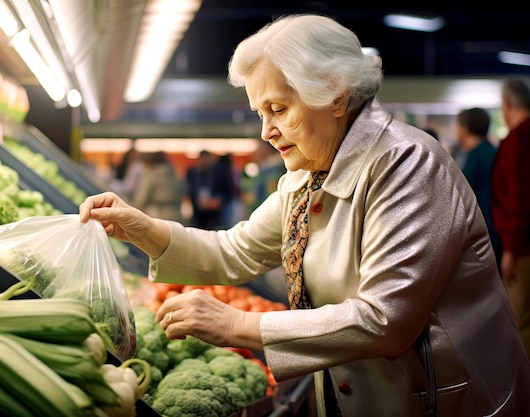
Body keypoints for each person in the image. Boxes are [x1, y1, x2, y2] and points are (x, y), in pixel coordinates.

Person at [80, 14, 530, 416]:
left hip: (446, 399)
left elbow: (385, 319)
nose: (266, 130)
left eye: (278, 109)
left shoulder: (407, 164)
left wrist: (237, 323)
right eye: (260, 112)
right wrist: (141, 228)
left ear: (334, 94)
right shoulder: (305, 178)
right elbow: (233, 250)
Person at [491, 77, 530, 360]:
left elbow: (518, 198)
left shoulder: (518, 140)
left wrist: (510, 250)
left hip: (523, 249)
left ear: (507, 105)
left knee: (519, 322)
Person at [455, 107, 501, 267]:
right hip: (500, 231)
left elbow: (462, 199)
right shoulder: (494, 151)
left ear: (464, 129)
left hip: (483, 234)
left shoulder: (473, 158)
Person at [131, 151, 186, 223]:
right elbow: (184, 191)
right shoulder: (174, 174)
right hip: (177, 217)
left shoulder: (150, 175)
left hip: (156, 217)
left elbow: (140, 200)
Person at [184, 150, 222, 229]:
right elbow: (187, 189)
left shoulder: (218, 173)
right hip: (196, 212)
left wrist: (217, 200)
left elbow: (225, 191)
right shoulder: (192, 173)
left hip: (213, 213)